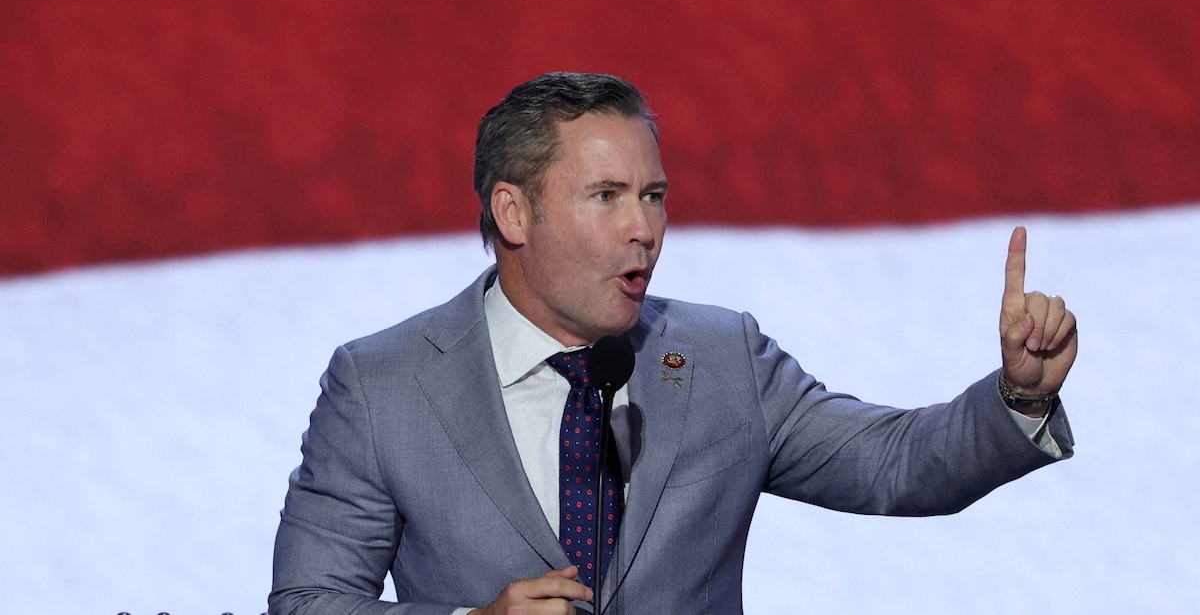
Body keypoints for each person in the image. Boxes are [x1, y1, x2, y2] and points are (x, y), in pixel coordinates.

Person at [270, 72, 1077, 615]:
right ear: (514, 213)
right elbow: (308, 603)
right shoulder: (381, 386)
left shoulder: (723, 357)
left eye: (653, 195)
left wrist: (1021, 394)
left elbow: (895, 464)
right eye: (607, 196)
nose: (645, 229)